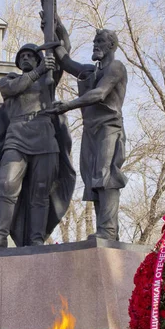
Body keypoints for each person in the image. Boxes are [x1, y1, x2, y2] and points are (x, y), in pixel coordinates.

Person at [0, 23, 75, 249]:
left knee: (40, 193)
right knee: (6, 184)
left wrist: (57, 25)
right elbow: (13, 90)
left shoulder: (48, 78)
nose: (25, 58)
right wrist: (39, 71)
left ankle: (35, 239)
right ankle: (0, 236)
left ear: (38, 58)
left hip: (44, 136)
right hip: (16, 136)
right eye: (22, 55)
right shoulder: (9, 80)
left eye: (30, 55)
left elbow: (65, 49)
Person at [48, 28, 128, 241]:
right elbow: (65, 62)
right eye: (94, 41)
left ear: (111, 45)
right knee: (93, 180)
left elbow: (99, 93)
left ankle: (108, 230)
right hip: (90, 130)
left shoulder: (116, 67)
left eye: (99, 41)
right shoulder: (90, 71)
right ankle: (106, 229)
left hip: (109, 128)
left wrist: (67, 105)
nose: (95, 45)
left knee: (106, 176)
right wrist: (56, 25)